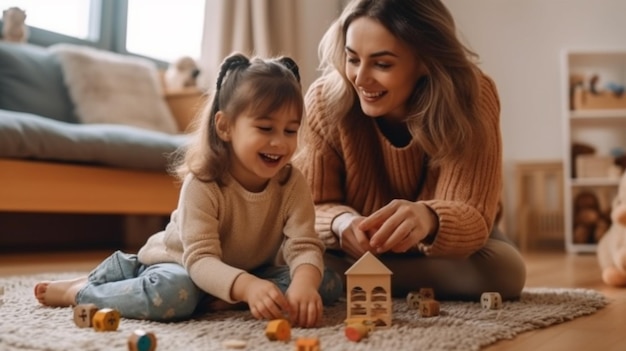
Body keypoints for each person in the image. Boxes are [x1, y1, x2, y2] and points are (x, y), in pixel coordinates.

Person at [34, 52, 343, 327]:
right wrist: (248, 287)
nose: (280, 142)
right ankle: (83, 289)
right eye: (265, 128)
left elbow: (304, 246)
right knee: (174, 296)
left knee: (325, 282)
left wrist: (302, 284)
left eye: (290, 130)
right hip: (181, 264)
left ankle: (217, 297)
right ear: (224, 127)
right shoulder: (204, 182)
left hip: (247, 269)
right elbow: (200, 261)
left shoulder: (293, 183)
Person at [293, 0, 526, 301]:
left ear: (426, 60)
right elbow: (308, 206)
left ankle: (355, 281)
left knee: (505, 272)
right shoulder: (325, 101)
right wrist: (341, 223)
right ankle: (373, 278)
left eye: (382, 64)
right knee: (289, 252)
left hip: (441, 250)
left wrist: (428, 218)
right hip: (357, 249)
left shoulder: (472, 97)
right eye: (352, 59)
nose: (360, 79)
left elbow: (473, 215)